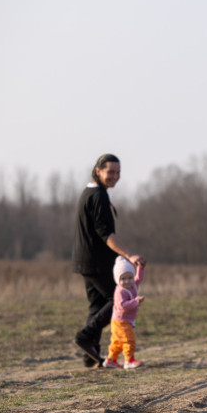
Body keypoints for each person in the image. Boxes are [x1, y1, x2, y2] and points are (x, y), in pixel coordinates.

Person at [72, 154, 145, 367]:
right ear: (98, 171)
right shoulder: (98, 196)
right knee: (116, 300)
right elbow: (107, 235)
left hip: (85, 260)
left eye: (118, 172)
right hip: (96, 261)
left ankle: (90, 356)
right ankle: (85, 336)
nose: (115, 176)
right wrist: (129, 255)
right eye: (110, 172)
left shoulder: (90, 193)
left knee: (97, 306)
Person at [103, 256, 146, 370]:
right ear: (117, 280)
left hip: (122, 320)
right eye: (123, 279)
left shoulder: (133, 285)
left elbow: (139, 278)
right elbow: (123, 305)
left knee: (117, 341)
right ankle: (129, 360)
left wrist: (140, 267)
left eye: (129, 277)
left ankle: (111, 360)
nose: (127, 281)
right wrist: (136, 301)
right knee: (128, 339)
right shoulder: (120, 291)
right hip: (121, 321)